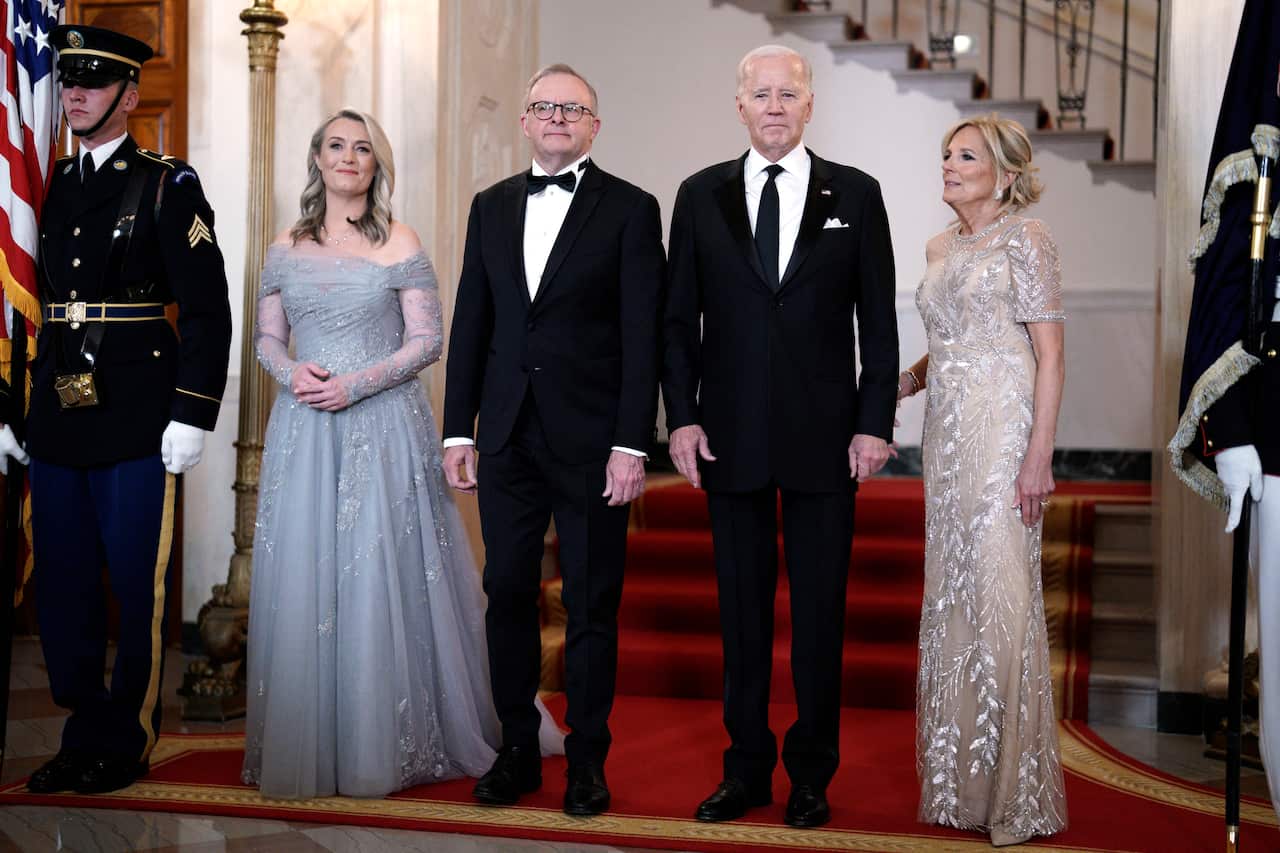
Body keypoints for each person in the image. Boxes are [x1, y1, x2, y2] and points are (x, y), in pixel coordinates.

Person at [241, 108, 559, 799]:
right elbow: (267, 338)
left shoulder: (400, 241)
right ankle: (315, 739)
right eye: (335, 145)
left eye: (362, 148)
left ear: (377, 164)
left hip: (381, 426)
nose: (348, 157)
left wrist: (354, 383)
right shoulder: (283, 244)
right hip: (304, 429)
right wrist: (292, 373)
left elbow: (427, 341)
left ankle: (383, 740)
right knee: (308, 576)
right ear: (317, 158)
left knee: (379, 574)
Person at [661, 45, 898, 829]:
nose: (773, 106)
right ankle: (746, 770)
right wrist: (682, 415)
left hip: (829, 442)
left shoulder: (856, 195)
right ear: (739, 105)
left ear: (809, 104)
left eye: (787, 94)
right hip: (728, 437)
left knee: (820, 618)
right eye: (760, 94)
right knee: (742, 618)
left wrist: (874, 424)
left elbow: (881, 323)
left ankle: (810, 774)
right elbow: (677, 323)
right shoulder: (699, 196)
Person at [1, 25, 233, 795]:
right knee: (64, 583)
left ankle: (126, 737)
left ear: (129, 96)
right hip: (62, 417)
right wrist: (21, 408)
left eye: (92, 84)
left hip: (139, 413)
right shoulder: (54, 184)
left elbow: (207, 310)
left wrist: (193, 414)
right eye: (68, 82)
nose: (74, 94)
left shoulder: (168, 184)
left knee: (136, 583)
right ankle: (81, 729)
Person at [442, 64, 665, 816]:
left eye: (575, 109)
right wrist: (455, 427)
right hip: (505, 434)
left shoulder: (633, 209)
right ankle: (515, 748)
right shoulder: (491, 205)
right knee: (504, 588)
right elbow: (472, 320)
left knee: (593, 603)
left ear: (594, 126)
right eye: (546, 107)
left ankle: (587, 761)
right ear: (526, 122)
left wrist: (635, 443)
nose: (559, 118)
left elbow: (645, 336)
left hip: (595, 440)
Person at [896, 113, 1067, 846]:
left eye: (965, 155)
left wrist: (1039, 455)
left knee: (1001, 598)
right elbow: (955, 341)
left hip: (1003, 438)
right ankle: (958, 785)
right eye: (945, 154)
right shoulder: (939, 245)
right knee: (955, 597)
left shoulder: (1027, 239)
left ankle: (1015, 794)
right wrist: (907, 378)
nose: (949, 165)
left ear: (1003, 172)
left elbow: (1049, 355)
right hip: (948, 439)